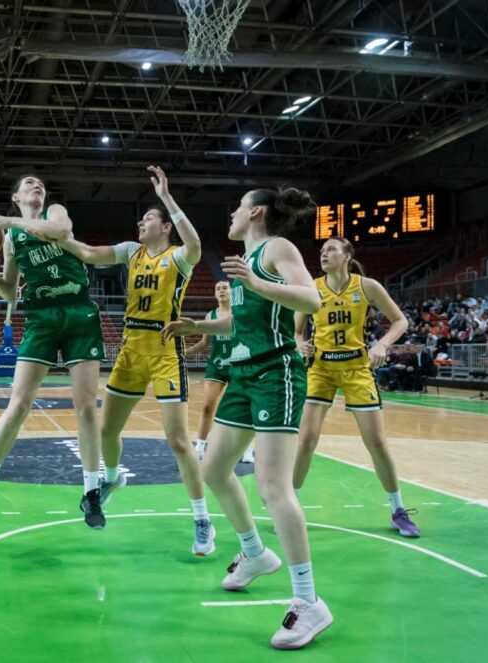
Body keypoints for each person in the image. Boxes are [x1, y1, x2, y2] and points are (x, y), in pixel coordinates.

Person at [164, 186, 332, 650]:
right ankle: (256, 553)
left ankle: (308, 602)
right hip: (242, 373)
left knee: (273, 487)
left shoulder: (276, 249)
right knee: (213, 469)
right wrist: (196, 326)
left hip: (275, 372)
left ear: (255, 211)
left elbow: (310, 300)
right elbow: (240, 323)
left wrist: (257, 284)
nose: (232, 213)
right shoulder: (242, 263)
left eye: (237, 206)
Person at [59, 165, 214, 554]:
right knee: (106, 431)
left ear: (165, 227)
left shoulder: (179, 257)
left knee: (178, 442)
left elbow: (195, 245)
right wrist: (61, 239)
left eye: (148, 219)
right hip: (130, 349)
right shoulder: (132, 251)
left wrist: (166, 198)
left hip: (164, 351)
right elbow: (93, 254)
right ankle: (112, 477)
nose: (140, 223)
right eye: (142, 218)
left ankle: (202, 520)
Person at [0, 175, 105, 529]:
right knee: (18, 404)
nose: (36, 185)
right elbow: (11, 293)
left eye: (40, 183)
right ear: (16, 196)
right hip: (40, 317)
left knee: (86, 407)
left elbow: (61, 230)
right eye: (28, 183)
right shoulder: (11, 237)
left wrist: (10, 220)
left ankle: (91, 492)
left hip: (78, 311)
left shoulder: (54, 212)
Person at [293, 238, 420, 538]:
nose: (324, 253)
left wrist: (383, 344)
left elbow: (400, 321)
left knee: (376, 442)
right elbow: (296, 330)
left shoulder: (367, 286)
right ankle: (291, 503)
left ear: (347, 256)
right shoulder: (312, 287)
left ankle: (398, 510)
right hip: (321, 369)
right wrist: (300, 344)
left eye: (331, 249)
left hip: (357, 368)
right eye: (322, 250)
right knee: (306, 439)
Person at [186, 281, 251, 463]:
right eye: (218, 288)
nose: (221, 290)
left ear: (231, 292)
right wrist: (185, 353)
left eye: (224, 288)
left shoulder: (240, 313)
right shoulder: (211, 315)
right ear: (215, 294)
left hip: (239, 364)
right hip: (217, 365)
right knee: (208, 406)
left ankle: (246, 448)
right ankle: (200, 446)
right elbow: (204, 343)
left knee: (243, 409)